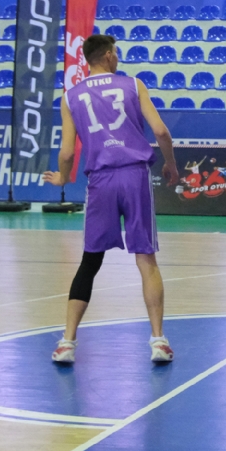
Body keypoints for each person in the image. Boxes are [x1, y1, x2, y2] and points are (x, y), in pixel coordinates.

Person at [45, 34, 180, 364]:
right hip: (134, 176)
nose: (117, 57)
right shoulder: (133, 85)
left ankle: (67, 342)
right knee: (146, 258)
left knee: (90, 262)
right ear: (107, 56)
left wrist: (62, 177)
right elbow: (161, 131)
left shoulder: (70, 97)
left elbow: (66, 152)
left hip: (100, 180)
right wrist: (171, 165)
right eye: (115, 52)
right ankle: (158, 341)